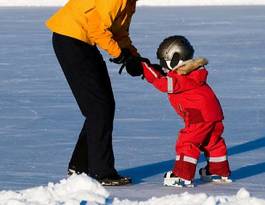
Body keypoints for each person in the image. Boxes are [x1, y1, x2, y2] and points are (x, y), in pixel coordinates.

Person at [45, 0, 145, 186]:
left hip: (82, 41)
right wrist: (121, 56)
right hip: (71, 38)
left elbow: (119, 33)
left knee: (102, 107)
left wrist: (135, 58)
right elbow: (97, 29)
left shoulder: (129, 2)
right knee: (99, 107)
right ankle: (102, 171)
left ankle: (80, 166)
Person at [142, 35, 231, 187]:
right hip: (214, 115)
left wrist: (144, 67)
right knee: (213, 142)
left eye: (164, 63)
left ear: (176, 58)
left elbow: (164, 84)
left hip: (198, 116)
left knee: (187, 141)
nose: (162, 67)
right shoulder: (192, 72)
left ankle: (182, 175)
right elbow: (170, 77)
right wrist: (158, 69)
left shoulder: (183, 76)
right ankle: (217, 171)